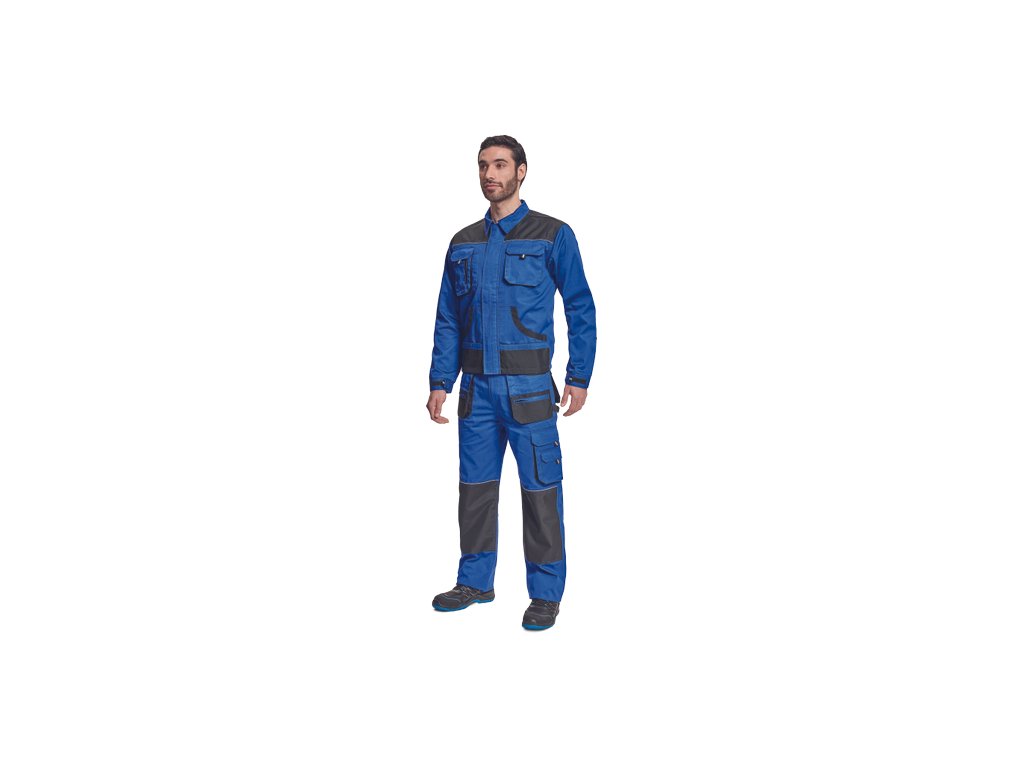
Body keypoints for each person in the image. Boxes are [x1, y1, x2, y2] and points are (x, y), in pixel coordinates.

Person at [426, 135, 597, 631]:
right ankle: (475, 581)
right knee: (475, 490)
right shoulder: (463, 242)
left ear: (521, 171)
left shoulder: (552, 235)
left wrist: (579, 375)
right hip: (476, 392)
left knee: (540, 491)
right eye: (483, 165)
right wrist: (441, 379)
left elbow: (579, 305)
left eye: (500, 165)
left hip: (530, 391)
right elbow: (448, 318)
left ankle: (545, 594)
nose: (489, 174)